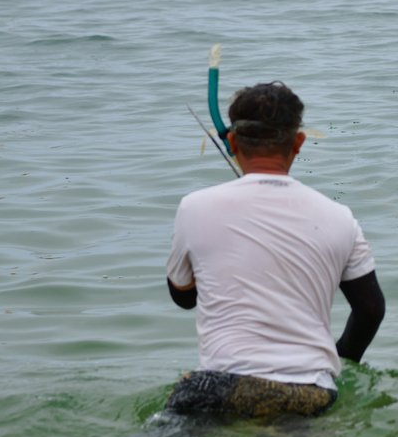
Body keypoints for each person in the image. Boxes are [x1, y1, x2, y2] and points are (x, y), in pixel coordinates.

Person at [165, 81, 385, 419]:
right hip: (308, 391)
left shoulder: (193, 207)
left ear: (233, 142)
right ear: (298, 142)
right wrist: (340, 361)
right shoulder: (340, 217)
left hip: (217, 385)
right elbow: (370, 309)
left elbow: (183, 298)